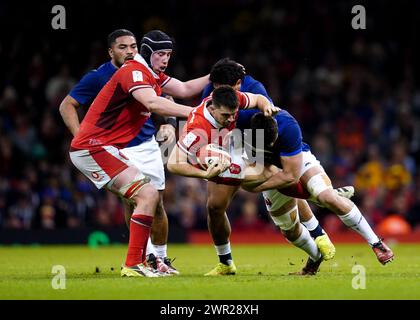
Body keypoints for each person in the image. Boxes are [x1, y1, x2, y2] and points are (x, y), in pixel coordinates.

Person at [60, 29, 210, 274]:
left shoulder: (149, 74)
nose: (129, 51)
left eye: (133, 46)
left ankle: (147, 261)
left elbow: (182, 90)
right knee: (144, 197)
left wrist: (215, 75)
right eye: (123, 47)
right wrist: (199, 114)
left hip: (129, 146)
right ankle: (135, 263)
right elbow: (152, 103)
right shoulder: (126, 73)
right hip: (100, 148)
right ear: (111, 51)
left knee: (151, 198)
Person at [198, 58, 346, 275]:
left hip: (255, 145)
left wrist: (261, 108)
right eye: (215, 87)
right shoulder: (210, 92)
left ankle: (317, 231)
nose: (218, 91)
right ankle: (226, 263)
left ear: (238, 83)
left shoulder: (254, 88)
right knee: (214, 206)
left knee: (283, 179)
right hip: (228, 145)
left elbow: (264, 115)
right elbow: (203, 115)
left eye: (223, 87)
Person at [168, 86, 326, 275]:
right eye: (226, 115)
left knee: (274, 176)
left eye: (233, 114)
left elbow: (259, 99)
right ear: (212, 109)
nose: (230, 119)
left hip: (244, 147)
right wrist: (204, 175)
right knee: (215, 207)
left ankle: (318, 198)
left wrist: (267, 106)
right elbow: (172, 163)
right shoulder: (196, 127)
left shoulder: (235, 99)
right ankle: (226, 263)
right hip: (223, 155)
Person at [248, 112, 394, 266]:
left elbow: (290, 176)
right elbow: (249, 171)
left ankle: (376, 243)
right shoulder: (240, 127)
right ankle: (315, 255)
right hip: (266, 167)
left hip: (296, 159)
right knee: (289, 231)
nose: (271, 145)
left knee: (327, 197)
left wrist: (257, 187)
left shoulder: (288, 125)